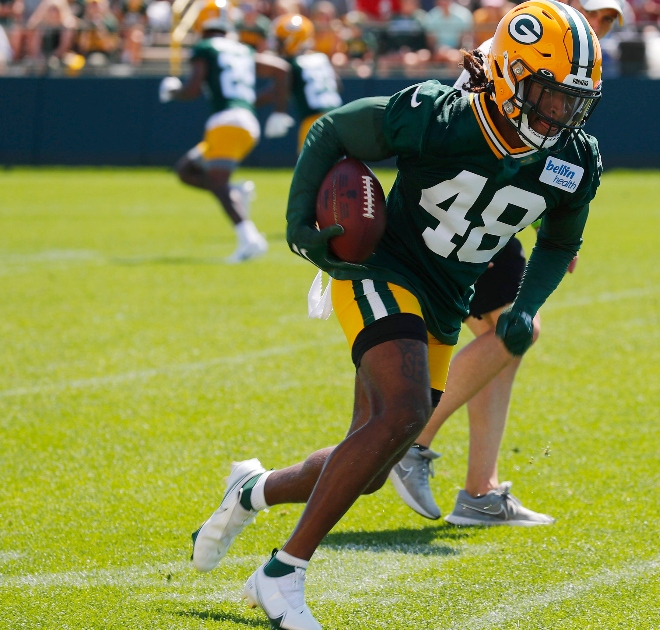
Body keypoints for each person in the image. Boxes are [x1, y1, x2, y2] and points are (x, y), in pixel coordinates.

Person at [189, 2, 603, 627]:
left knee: (374, 464)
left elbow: (560, 243)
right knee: (407, 411)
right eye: (548, 95)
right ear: (511, 75)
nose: (560, 114)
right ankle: (282, 573)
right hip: (382, 266)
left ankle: (253, 489)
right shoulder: (443, 116)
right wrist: (302, 224)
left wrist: (526, 305)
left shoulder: (574, 158)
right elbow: (333, 131)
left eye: (572, 101)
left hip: (445, 295)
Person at [387, 0, 622, 527]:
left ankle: (480, 491)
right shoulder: (522, 53)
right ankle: (413, 441)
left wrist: (550, 221)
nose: (601, 31)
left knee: (508, 342)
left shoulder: (559, 63)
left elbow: (536, 158)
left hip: (490, 216)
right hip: (466, 216)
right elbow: (506, 147)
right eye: (598, 17)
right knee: (518, 330)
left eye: (607, 23)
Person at [158, 0, 293, 263]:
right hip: (244, 122)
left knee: (216, 182)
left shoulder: (205, 48)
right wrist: (279, 110)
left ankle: (249, 238)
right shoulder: (242, 49)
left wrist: (171, 91)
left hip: (227, 123)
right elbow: (281, 69)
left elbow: (193, 89)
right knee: (186, 169)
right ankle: (236, 192)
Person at [269, 13, 343, 153]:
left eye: (280, 41)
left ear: (292, 40)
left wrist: (251, 102)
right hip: (339, 119)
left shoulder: (292, 64)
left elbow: (277, 91)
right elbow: (338, 86)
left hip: (313, 122)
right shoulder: (321, 58)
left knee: (308, 171)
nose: (277, 45)